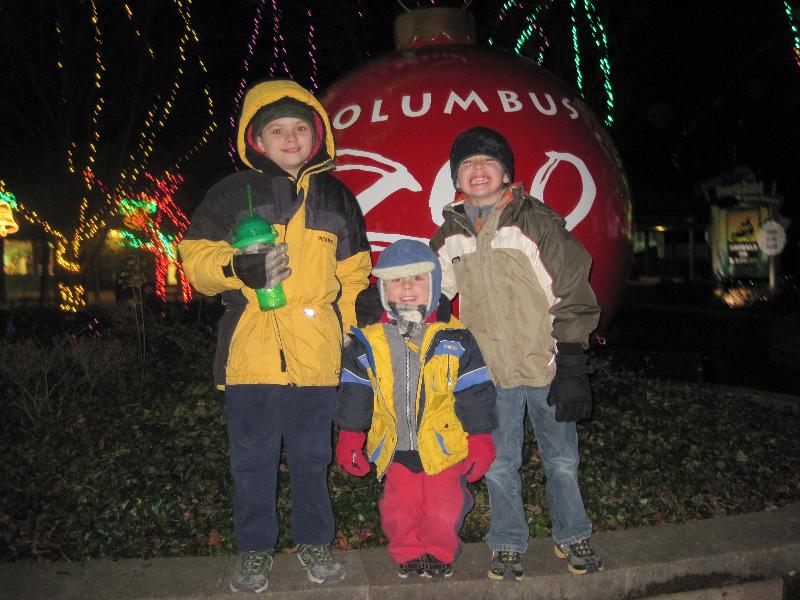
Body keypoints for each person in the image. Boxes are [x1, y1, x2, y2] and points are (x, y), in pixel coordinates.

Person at [178, 79, 371, 594]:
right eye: (277, 130)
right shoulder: (229, 192)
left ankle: (315, 541)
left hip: (318, 353)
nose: (290, 138)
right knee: (252, 461)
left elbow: (354, 278)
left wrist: (353, 338)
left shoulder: (337, 196)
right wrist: (234, 266)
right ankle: (254, 550)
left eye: (300, 128)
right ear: (256, 139)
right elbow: (194, 260)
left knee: (312, 458)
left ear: (317, 136)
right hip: (251, 353)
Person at [429, 126, 603, 580]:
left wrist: (571, 362)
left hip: (547, 365)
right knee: (499, 463)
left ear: (506, 173)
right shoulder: (450, 235)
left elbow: (572, 289)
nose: (478, 169)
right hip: (489, 373)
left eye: (488, 161)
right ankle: (507, 543)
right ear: (456, 178)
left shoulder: (536, 222)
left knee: (562, 460)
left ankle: (573, 534)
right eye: (467, 163)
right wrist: (396, 303)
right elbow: (431, 291)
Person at [334, 239, 497, 579]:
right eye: (397, 279)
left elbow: (475, 391)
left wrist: (480, 439)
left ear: (434, 283)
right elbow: (355, 392)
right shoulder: (369, 340)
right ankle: (407, 551)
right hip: (395, 445)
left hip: (444, 445)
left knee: (443, 507)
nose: (407, 287)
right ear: (383, 289)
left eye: (418, 278)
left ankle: (439, 551)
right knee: (399, 508)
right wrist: (350, 436)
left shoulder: (456, 337)